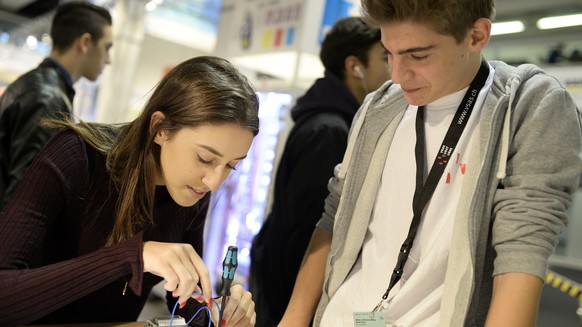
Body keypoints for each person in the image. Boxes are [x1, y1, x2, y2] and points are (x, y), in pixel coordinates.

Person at [279, 1, 582, 326]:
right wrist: (292, 320)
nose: (397, 75)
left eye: (418, 56)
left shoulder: (530, 106)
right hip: (346, 317)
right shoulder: (378, 107)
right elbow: (335, 215)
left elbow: (524, 245)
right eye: (388, 54)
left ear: (477, 36)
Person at [0, 56, 258, 326]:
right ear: (159, 128)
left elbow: (183, 300)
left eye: (231, 165)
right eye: (205, 159)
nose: (214, 182)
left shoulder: (193, 189)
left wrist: (214, 310)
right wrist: (131, 257)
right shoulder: (76, 156)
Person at [249, 16, 389, 326]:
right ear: (355, 66)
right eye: (385, 56)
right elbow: (310, 230)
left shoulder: (327, 120)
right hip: (291, 294)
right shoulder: (330, 130)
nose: (392, 67)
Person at [0, 1, 113, 210]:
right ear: (85, 43)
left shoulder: (39, 86)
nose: (109, 59)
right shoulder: (46, 97)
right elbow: (25, 197)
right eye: (107, 47)